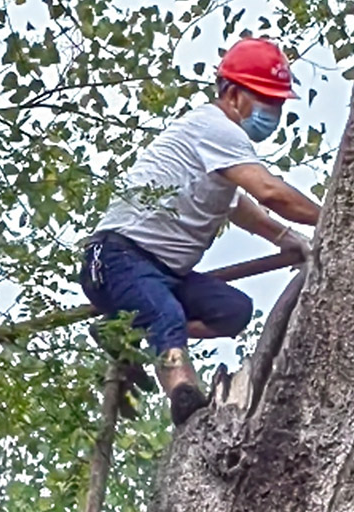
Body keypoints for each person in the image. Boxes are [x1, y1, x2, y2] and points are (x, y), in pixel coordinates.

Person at [80, 37, 321, 425]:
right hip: (117, 258)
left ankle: (124, 332)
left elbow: (245, 210)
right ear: (232, 93)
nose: (272, 111)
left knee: (234, 311)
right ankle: (184, 396)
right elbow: (270, 192)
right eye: (265, 100)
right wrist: (334, 218)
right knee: (166, 314)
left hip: (166, 274)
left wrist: (292, 240)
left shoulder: (216, 154)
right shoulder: (216, 128)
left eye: (277, 103)